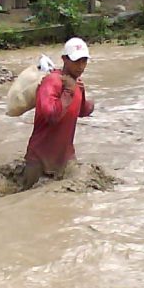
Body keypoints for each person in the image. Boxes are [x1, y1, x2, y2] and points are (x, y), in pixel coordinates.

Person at [22, 37, 95, 189]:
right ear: (64, 59)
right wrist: (68, 91)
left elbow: (82, 111)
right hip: (40, 158)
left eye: (84, 61)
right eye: (76, 61)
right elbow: (52, 116)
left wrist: (89, 103)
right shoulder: (52, 82)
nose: (81, 66)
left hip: (66, 157)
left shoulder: (77, 84)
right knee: (25, 197)